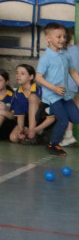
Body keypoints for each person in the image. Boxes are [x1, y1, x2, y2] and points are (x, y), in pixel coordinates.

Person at [36, 23, 79, 155]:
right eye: (58, 36)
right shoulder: (46, 58)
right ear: (48, 38)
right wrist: (53, 88)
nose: (62, 39)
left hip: (65, 95)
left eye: (64, 37)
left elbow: (72, 71)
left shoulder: (66, 54)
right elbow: (38, 78)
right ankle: (52, 144)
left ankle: (49, 111)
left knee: (76, 118)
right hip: (52, 96)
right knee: (64, 120)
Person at [9, 63, 50, 144]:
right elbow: (19, 114)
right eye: (17, 73)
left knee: (32, 97)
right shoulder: (17, 93)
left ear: (31, 77)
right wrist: (21, 130)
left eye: (22, 73)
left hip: (41, 119)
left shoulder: (40, 90)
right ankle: (34, 134)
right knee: (13, 138)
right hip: (26, 120)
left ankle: (33, 133)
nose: (18, 75)